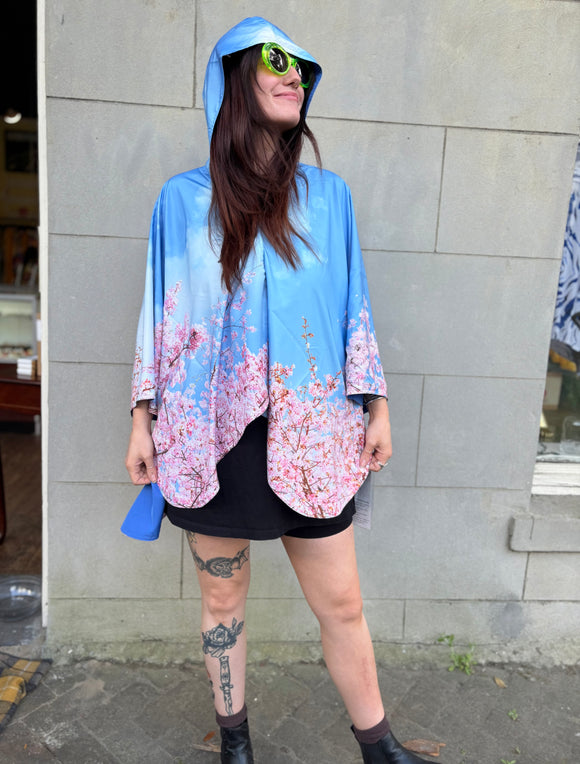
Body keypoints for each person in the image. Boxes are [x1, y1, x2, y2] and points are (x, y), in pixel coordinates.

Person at [125, 16, 430, 764]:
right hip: (209, 436)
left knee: (343, 602)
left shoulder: (329, 198)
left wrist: (377, 404)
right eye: (276, 60)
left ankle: (379, 746)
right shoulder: (180, 200)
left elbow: (354, 305)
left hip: (314, 433)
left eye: (302, 67)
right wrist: (141, 418)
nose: (294, 74)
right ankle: (235, 743)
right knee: (222, 598)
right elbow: (159, 316)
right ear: (235, 77)